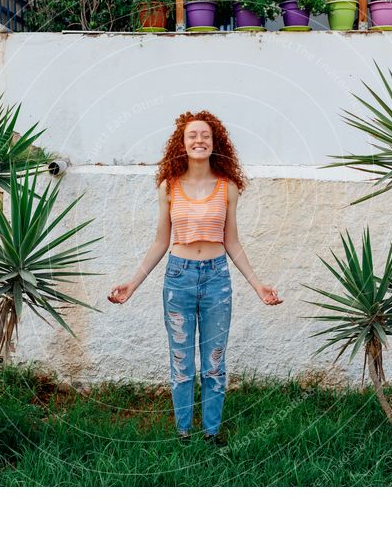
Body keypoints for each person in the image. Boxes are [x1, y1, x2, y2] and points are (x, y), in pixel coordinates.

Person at [107, 110, 283, 446]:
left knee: (214, 362)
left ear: (215, 143)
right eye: (192, 136)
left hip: (217, 278)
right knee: (181, 361)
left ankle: (212, 432)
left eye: (205, 135)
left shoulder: (227, 187)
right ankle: (184, 432)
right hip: (179, 279)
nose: (199, 140)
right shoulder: (169, 187)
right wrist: (132, 283)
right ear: (182, 143)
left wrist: (258, 285)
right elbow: (161, 241)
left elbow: (231, 241)